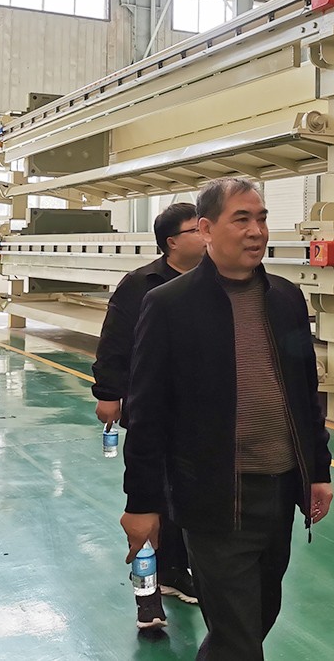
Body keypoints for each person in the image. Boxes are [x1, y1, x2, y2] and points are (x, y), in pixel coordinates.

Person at [120, 177, 334, 661]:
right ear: (206, 228)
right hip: (213, 495)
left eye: (261, 219)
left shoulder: (286, 299)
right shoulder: (170, 304)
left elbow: (304, 393)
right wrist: (142, 502)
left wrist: (317, 471)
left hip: (279, 491)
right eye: (242, 219)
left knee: (257, 617)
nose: (256, 230)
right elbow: (147, 412)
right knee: (238, 636)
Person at [92, 201, 206, 630]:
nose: (206, 235)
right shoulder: (140, 285)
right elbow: (115, 341)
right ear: (172, 242)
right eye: (197, 229)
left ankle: (175, 570)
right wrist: (108, 393)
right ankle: (147, 594)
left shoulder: (214, 281)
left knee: (186, 499)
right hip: (151, 411)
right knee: (149, 499)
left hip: (199, 415)